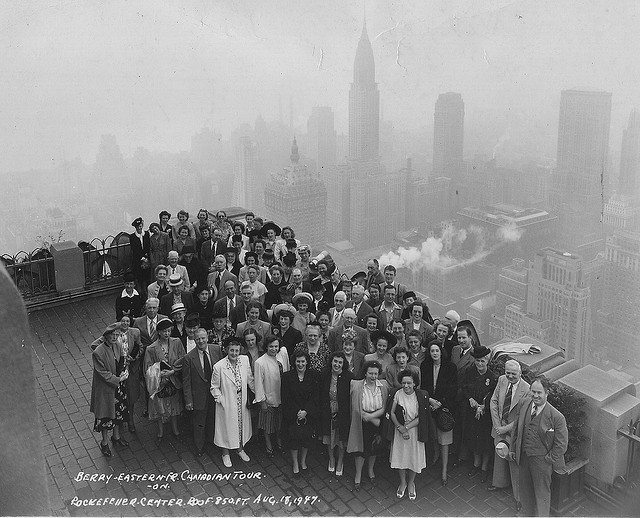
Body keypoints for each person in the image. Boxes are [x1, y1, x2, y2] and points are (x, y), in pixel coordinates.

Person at [509, 377, 568, 517]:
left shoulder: (556, 417)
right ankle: (526, 514)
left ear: (547, 393)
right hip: (524, 456)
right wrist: (513, 448)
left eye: (539, 393)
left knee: (542, 494)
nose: (535, 396)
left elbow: (561, 444)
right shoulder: (524, 403)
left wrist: (548, 459)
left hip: (542, 462)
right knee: (525, 489)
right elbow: (516, 428)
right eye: (533, 392)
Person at [489, 360, 531, 506]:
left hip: (514, 431)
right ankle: (499, 483)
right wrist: (497, 425)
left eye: (514, 373)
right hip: (499, 426)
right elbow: (493, 401)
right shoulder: (502, 380)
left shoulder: (526, 389)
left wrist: (504, 429)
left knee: (514, 462)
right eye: (508, 373)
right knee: (499, 454)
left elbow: (522, 416)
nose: (510, 376)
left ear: (520, 373)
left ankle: (519, 498)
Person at [389, 369, 434, 500]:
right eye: (403, 383)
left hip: (414, 431)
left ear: (415, 383)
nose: (406, 386)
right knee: (401, 457)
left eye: (409, 383)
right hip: (400, 431)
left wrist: (406, 428)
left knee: (413, 458)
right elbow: (392, 413)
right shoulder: (398, 394)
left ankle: (411, 483)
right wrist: (400, 428)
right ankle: (402, 482)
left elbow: (422, 417)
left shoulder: (421, 395)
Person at [211, 337, 255, 467]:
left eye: (237, 351)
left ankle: (239, 449)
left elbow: (250, 379)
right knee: (226, 427)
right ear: (226, 350)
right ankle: (225, 453)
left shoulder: (244, 360)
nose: (234, 354)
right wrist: (221, 400)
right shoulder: (219, 366)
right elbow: (214, 387)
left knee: (240, 426)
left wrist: (258, 393)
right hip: (227, 402)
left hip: (242, 400)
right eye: (232, 351)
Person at [347, 360, 389, 491]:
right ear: (365, 373)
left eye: (376, 373)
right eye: (370, 373)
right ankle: (358, 475)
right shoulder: (356, 385)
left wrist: (371, 417)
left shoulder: (383, 386)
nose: (373, 376)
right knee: (360, 450)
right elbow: (355, 407)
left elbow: (384, 407)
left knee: (374, 448)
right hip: (361, 423)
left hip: (377, 421)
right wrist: (366, 416)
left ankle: (370, 470)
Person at [420, 341, 458, 486]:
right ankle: (436, 457)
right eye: (432, 351)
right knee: (434, 435)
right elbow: (423, 386)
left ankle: (444, 470)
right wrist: (430, 401)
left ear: (441, 352)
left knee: (445, 439)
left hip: (444, 407)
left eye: (437, 351)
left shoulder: (450, 367)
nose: (434, 353)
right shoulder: (425, 366)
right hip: (430, 405)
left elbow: (453, 389)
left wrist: (440, 403)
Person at [90, 323, 130, 457]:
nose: (114, 337)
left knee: (118, 413)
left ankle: (116, 437)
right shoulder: (98, 352)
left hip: (118, 387)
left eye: (117, 335)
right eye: (112, 335)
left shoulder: (117, 346)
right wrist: (118, 379)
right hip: (106, 389)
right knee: (106, 416)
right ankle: (104, 442)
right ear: (105, 336)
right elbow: (102, 373)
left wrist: (125, 371)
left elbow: (122, 362)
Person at [182, 328, 223, 456]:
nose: (201, 341)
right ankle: (199, 446)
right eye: (198, 339)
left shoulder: (216, 350)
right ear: (194, 340)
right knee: (199, 422)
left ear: (207, 338)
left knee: (214, 418)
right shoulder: (189, 357)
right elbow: (186, 381)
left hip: (215, 393)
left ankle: (213, 442)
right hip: (199, 395)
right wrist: (188, 401)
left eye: (203, 338)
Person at [143, 317, 184, 444]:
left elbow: (183, 359)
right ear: (159, 332)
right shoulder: (151, 348)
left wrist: (173, 371)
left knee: (174, 405)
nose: (167, 334)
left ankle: (175, 428)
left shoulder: (176, 342)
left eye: (169, 331)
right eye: (164, 331)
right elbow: (147, 368)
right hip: (160, 383)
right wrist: (159, 374)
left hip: (173, 379)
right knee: (159, 406)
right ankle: (160, 430)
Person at [461, 346, 498, 482]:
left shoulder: (492, 377)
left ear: (487, 361)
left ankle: (484, 468)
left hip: (485, 416)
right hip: (472, 413)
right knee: (474, 439)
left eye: (482, 361)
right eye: (477, 361)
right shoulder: (470, 372)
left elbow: (494, 396)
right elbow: (464, 388)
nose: (480, 364)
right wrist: (470, 398)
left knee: (485, 441)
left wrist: (484, 406)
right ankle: (476, 464)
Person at [281, 350, 318, 475]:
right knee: (294, 440)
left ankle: (303, 461)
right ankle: (295, 464)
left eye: (303, 361)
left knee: (306, 439)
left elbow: (315, 397)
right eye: (298, 361)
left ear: (307, 362)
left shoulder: (313, 375)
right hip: (293, 414)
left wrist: (306, 411)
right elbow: (286, 397)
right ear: (294, 362)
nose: (300, 364)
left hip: (309, 414)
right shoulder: (287, 377)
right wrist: (297, 412)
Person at [254, 335, 290, 456]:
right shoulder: (260, 362)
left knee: (280, 424)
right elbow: (258, 384)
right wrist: (262, 401)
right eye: (271, 347)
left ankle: (279, 442)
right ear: (266, 347)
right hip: (268, 398)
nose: (274, 349)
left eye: (276, 346)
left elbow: (288, 371)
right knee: (268, 425)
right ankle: (268, 445)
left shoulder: (283, 355)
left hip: (282, 396)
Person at [319, 351, 352, 476]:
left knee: (341, 437)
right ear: (331, 361)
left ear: (343, 364)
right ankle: (332, 458)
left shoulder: (349, 376)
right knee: (329, 436)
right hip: (328, 409)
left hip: (342, 411)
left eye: (340, 362)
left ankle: (340, 460)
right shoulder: (325, 374)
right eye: (335, 361)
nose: (337, 364)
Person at [129, 217, 151, 295]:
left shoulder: (147, 234)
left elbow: (148, 246)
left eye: (141, 225)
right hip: (138, 260)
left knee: (146, 278)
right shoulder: (132, 236)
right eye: (138, 226)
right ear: (135, 227)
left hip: (147, 259)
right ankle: (140, 294)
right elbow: (134, 249)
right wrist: (142, 258)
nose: (139, 227)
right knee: (139, 278)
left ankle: (146, 293)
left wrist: (146, 258)